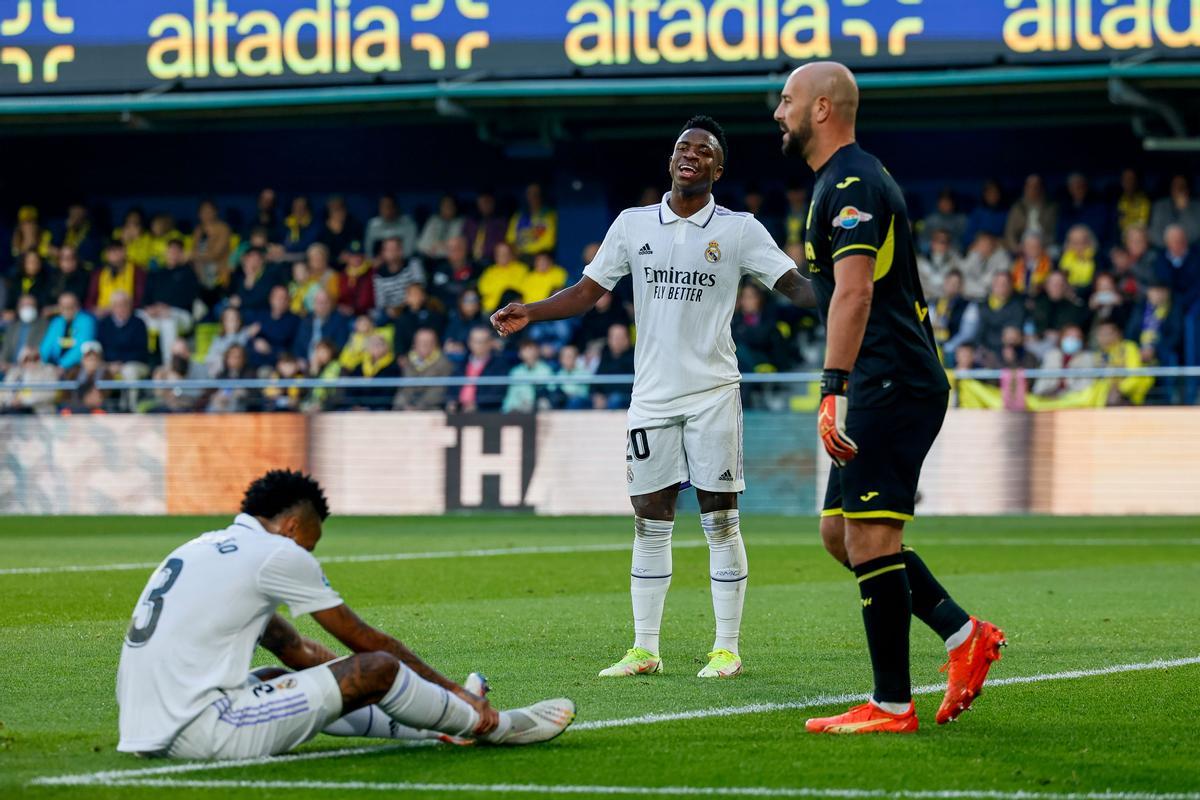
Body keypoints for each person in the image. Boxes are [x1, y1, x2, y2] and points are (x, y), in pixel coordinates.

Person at [491, 115, 816, 681]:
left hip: (714, 393)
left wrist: (854, 288)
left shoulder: (739, 230)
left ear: (719, 167)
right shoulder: (632, 224)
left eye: (703, 150)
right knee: (649, 521)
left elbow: (795, 288)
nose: (690, 155)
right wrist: (532, 310)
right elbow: (589, 292)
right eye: (681, 148)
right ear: (671, 162)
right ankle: (645, 648)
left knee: (721, 521)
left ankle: (727, 648)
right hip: (652, 399)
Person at [774, 62, 1004, 734]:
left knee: (872, 534)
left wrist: (830, 389)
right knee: (840, 535)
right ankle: (965, 637)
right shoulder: (837, 181)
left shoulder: (851, 181)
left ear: (821, 108)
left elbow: (855, 291)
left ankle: (891, 704)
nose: (777, 113)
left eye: (787, 101)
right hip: (883, 376)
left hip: (888, 378)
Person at [115, 470, 574, 759]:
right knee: (376, 668)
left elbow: (294, 649)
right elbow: (367, 643)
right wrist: (455, 691)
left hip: (145, 726)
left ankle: (439, 729)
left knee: (278, 672)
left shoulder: (206, 546)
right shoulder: (277, 552)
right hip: (201, 731)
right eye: (311, 541)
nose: (312, 551)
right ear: (293, 526)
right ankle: (491, 726)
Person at [139, 238, 200, 366]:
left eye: (177, 251)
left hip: (181, 315)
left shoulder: (188, 272)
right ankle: (139, 361)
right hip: (156, 314)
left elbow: (190, 299)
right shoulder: (156, 273)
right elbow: (145, 297)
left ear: (182, 254)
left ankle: (169, 366)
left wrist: (168, 308)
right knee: (136, 317)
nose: (173, 254)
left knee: (168, 322)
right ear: (165, 252)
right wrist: (150, 308)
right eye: (170, 251)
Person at [450, 325, 509, 412]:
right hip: (458, 412)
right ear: (469, 343)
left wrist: (477, 405)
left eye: (482, 342)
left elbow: (497, 392)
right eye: (475, 341)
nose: (479, 345)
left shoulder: (499, 365)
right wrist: (451, 402)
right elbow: (452, 388)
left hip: (484, 413)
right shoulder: (461, 364)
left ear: (490, 343)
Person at [96, 290, 152, 380]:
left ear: (130, 306)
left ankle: (129, 395)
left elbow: (141, 351)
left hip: (134, 363)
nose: (121, 308)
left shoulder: (139, 323)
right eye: (117, 305)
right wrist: (111, 364)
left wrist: (121, 362)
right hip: (109, 363)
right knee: (95, 369)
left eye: (124, 304)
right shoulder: (104, 324)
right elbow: (100, 347)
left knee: (129, 371)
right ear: (112, 307)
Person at [395, 328, 454, 411]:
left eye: (428, 342)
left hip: (431, 409)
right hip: (406, 409)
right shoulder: (407, 361)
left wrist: (418, 407)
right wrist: (403, 406)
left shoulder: (444, 363)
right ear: (415, 344)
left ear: (435, 344)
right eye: (421, 342)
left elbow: (439, 391)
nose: (424, 345)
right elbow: (403, 389)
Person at [40, 292, 97, 370]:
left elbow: (81, 348)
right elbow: (46, 346)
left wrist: (62, 366)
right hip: (55, 366)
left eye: (70, 306)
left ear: (77, 306)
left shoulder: (86, 321)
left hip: (77, 367)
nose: (66, 310)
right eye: (63, 307)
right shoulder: (57, 322)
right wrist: (42, 362)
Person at [293, 289, 352, 365]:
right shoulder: (306, 320)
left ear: (331, 304)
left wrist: (322, 359)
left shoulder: (339, 321)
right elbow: (298, 344)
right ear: (314, 304)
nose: (322, 306)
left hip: (329, 364)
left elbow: (340, 346)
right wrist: (300, 359)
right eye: (319, 302)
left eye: (325, 302)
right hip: (305, 364)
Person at [1004, 174, 1058, 254]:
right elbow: (1010, 232)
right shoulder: (1017, 207)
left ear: (1042, 188)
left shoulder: (1051, 207)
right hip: (1022, 244)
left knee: (1054, 252)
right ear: (1025, 188)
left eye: (1036, 187)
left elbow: (1055, 232)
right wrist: (1015, 247)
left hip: (1045, 244)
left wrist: (1040, 245)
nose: (1033, 190)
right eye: (1030, 187)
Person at [372, 238, 426, 318]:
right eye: (388, 249)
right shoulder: (379, 276)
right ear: (383, 253)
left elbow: (420, 288)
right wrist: (391, 310)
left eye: (395, 248)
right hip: (394, 313)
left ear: (401, 251)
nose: (392, 252)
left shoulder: (413, 263)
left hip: (415, 306)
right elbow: (381, 303)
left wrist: (403, 306)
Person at [502, 339, 554, 413]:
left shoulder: (546, 370)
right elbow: (511, 395)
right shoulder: (515, 372)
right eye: (525, 350)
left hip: (538, 407)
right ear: (520, 354)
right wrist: (507, 410)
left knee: (543, 403)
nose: (529, 353)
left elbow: (551, 390)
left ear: (537, 352)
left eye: (531, 349)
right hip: (519, 408)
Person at [507, 182, 557, 258]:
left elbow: (549, 243)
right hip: (520, 257)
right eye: (530, 194)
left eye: (536, 194)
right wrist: (516, 252)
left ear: (541, 195)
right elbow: (510, 240)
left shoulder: (549, 215)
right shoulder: (518, 215)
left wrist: (532, 251)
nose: (533, 197)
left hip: (540, 257)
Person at [1149, 174, 1200, 246]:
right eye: (1176, 186)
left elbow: (1196, 234)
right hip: (1164, 250)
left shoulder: (1197, 206)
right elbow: (1155, 235)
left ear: (1188, 189)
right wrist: (1173, 246)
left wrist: (1185, 210)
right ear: (1171, 189)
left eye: (1182, 186)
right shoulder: (1160, 206)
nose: (1179, 190)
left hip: (1190, 251)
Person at [478, 241, 529, 312]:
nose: (503, 256)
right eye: (499, 253)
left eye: (506, 253)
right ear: (495, 256)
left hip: (513, 308)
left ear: (511, 254)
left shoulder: (522, 269)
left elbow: (523, 289)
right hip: (491, 309)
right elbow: (483, 290)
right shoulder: (490, 271)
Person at [364, 194, 418, 259]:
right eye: (383, 206)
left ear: (396, 208)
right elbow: (368, 251)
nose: (386, 210)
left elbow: (408, 253)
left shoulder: (408, 224)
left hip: (402, 264)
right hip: (377, 264)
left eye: (389, 206)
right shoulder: (373, 224)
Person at [463, 190, 509, 265]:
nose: (485, 205)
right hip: (470, 258)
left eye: (488, 202)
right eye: (482, 202)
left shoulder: (500, 221)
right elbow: (465, 239)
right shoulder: (471, 221)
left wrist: (485, 250)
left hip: (491, 258)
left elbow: (501, 242)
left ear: (493, 203)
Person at [417, 194, 464, 260]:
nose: (447, 208)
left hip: (451, 260)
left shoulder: (461, 222)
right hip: (430, 259)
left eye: (450, 205)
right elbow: (421, 245)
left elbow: (454, 248)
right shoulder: (433, 220)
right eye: (444, 205)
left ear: (455, 207)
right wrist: (441, 246)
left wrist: (436, 248)